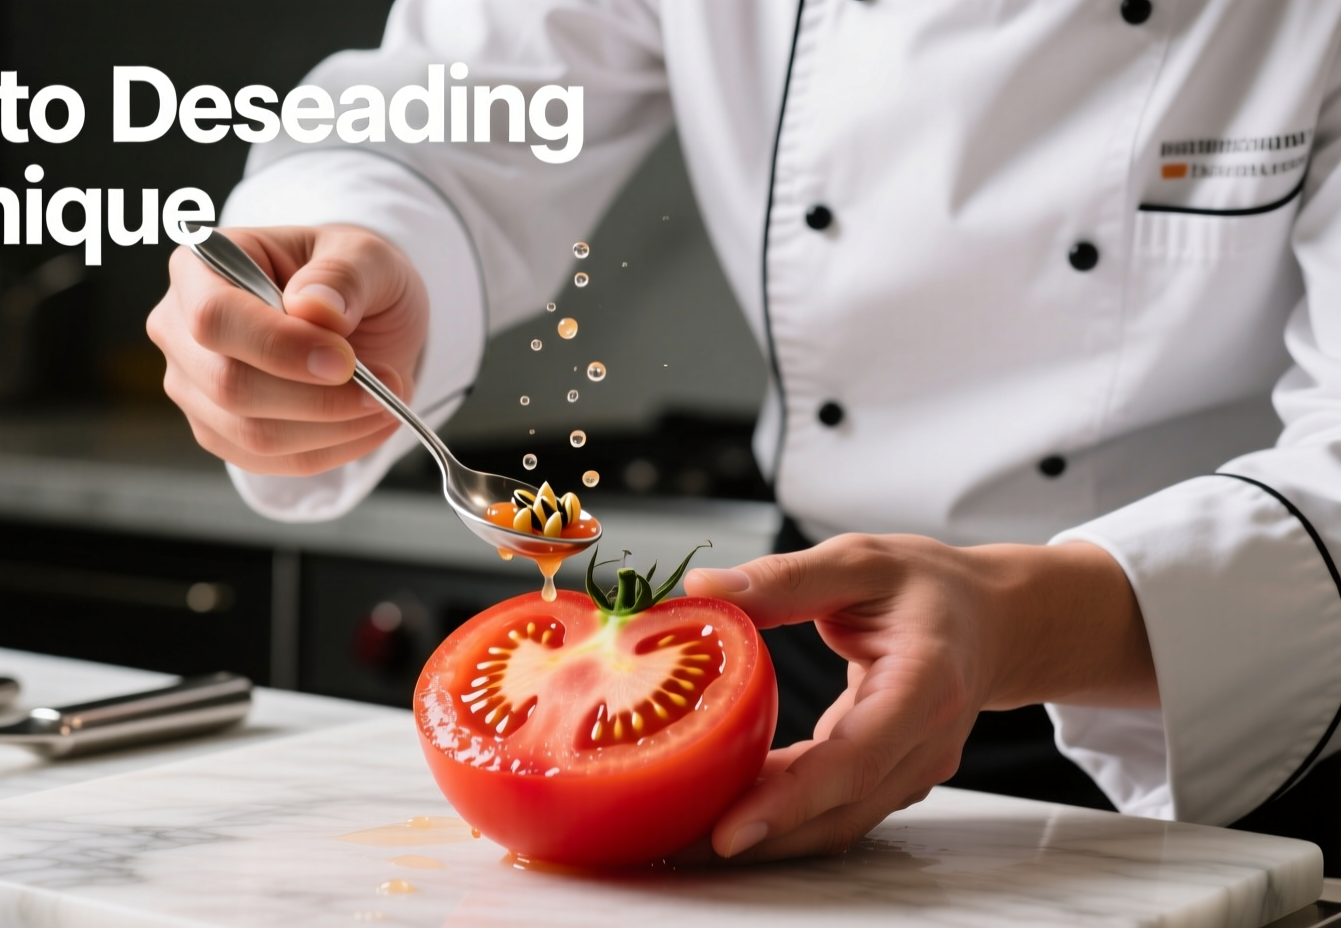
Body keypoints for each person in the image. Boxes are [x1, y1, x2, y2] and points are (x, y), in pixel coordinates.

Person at [148, 1, 1341, 868]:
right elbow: (452, 107)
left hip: (1230, 711)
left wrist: (1021, 621)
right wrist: (348, 251)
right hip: (792, 684)